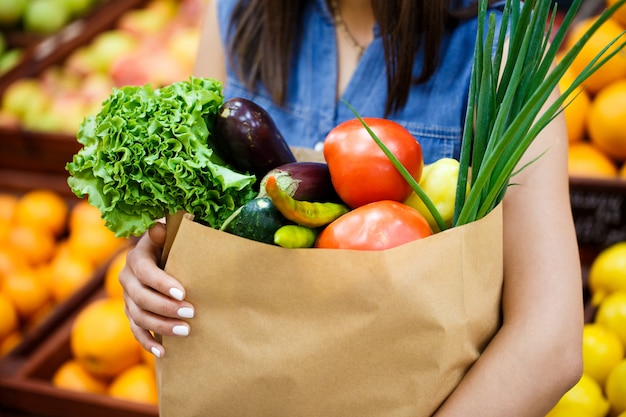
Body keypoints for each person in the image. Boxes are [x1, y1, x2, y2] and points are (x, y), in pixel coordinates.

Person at [119, 0, 584, 415]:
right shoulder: (236, 13)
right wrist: (152, 264)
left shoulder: (502, 43)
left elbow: (549, 341)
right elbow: (196, 219)